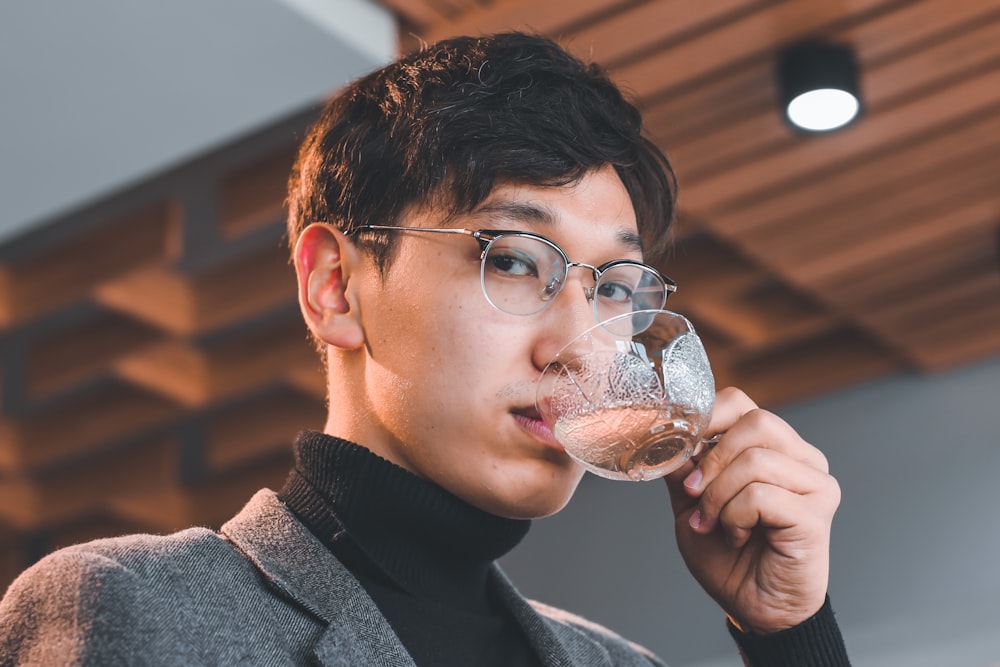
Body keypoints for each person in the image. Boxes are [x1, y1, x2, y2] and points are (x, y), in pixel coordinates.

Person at [0, 32, 848, 666]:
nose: (579, 347)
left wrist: (788, 635)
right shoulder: (136, 610)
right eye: (514, 260)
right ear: (334, 284)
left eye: (613, 286)